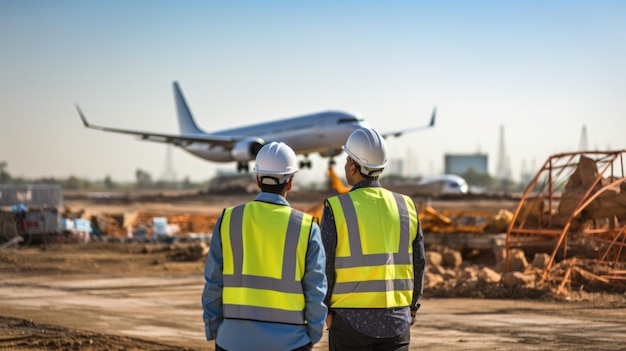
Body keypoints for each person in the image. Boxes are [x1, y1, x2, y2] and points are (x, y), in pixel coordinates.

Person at [202, 141, 328, 351]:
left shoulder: (228, 220)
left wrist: (216, 330)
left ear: (258, 179)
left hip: (232, 340)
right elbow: (315, 290)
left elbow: (213, 282)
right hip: (291, 342)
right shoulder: (307, 227)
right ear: (290, 182)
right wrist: (311, 337)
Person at [321, 127, 426, 351]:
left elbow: (325, 265)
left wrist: (326, 311)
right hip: (397, 319)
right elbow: (419, 262)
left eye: (347, 159)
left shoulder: (337, 208)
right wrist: (412, 307)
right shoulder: (406, 206)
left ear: (353, 165)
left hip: (349, 322)